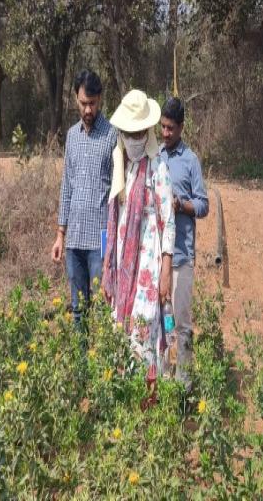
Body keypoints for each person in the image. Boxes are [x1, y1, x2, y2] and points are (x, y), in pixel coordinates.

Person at [102, 89, 175, 387]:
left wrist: (166, 271)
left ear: (146, 132)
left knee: (143, 331)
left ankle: (147, 399)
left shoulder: (158, 167)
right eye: (127, 133)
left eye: (137, 133)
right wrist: (109, 263)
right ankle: (125, 399)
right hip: (124, 263)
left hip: (148, 264)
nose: (132, 139)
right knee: (122, 332)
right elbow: (115, 217)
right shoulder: (123, 165)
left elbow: (168, 221)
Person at [52, 70, 118, 323]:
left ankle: (102, 351)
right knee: (78, 308)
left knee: (102, 306)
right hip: (74, 240)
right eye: (83, 103)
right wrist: (61, 234)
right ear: (75, 100)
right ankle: (80, 350)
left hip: (101, 239)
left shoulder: (112, 136)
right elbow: (66, 186)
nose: (88, 109)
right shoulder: (72, 136)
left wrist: (114, 239)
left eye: (92, 103)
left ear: (100, 99)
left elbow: (117, 191)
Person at [159, 97, 209, 387]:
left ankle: (184, 387)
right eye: (162, 127)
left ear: (181, 128)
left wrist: (182, 205)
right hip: (159, 258)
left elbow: (203, 205)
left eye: (170, 128)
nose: (165, 133)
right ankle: (163, 379)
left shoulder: (190, 161)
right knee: (162, 323)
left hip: (181, 257)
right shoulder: (156, 157)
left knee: (182, 324)